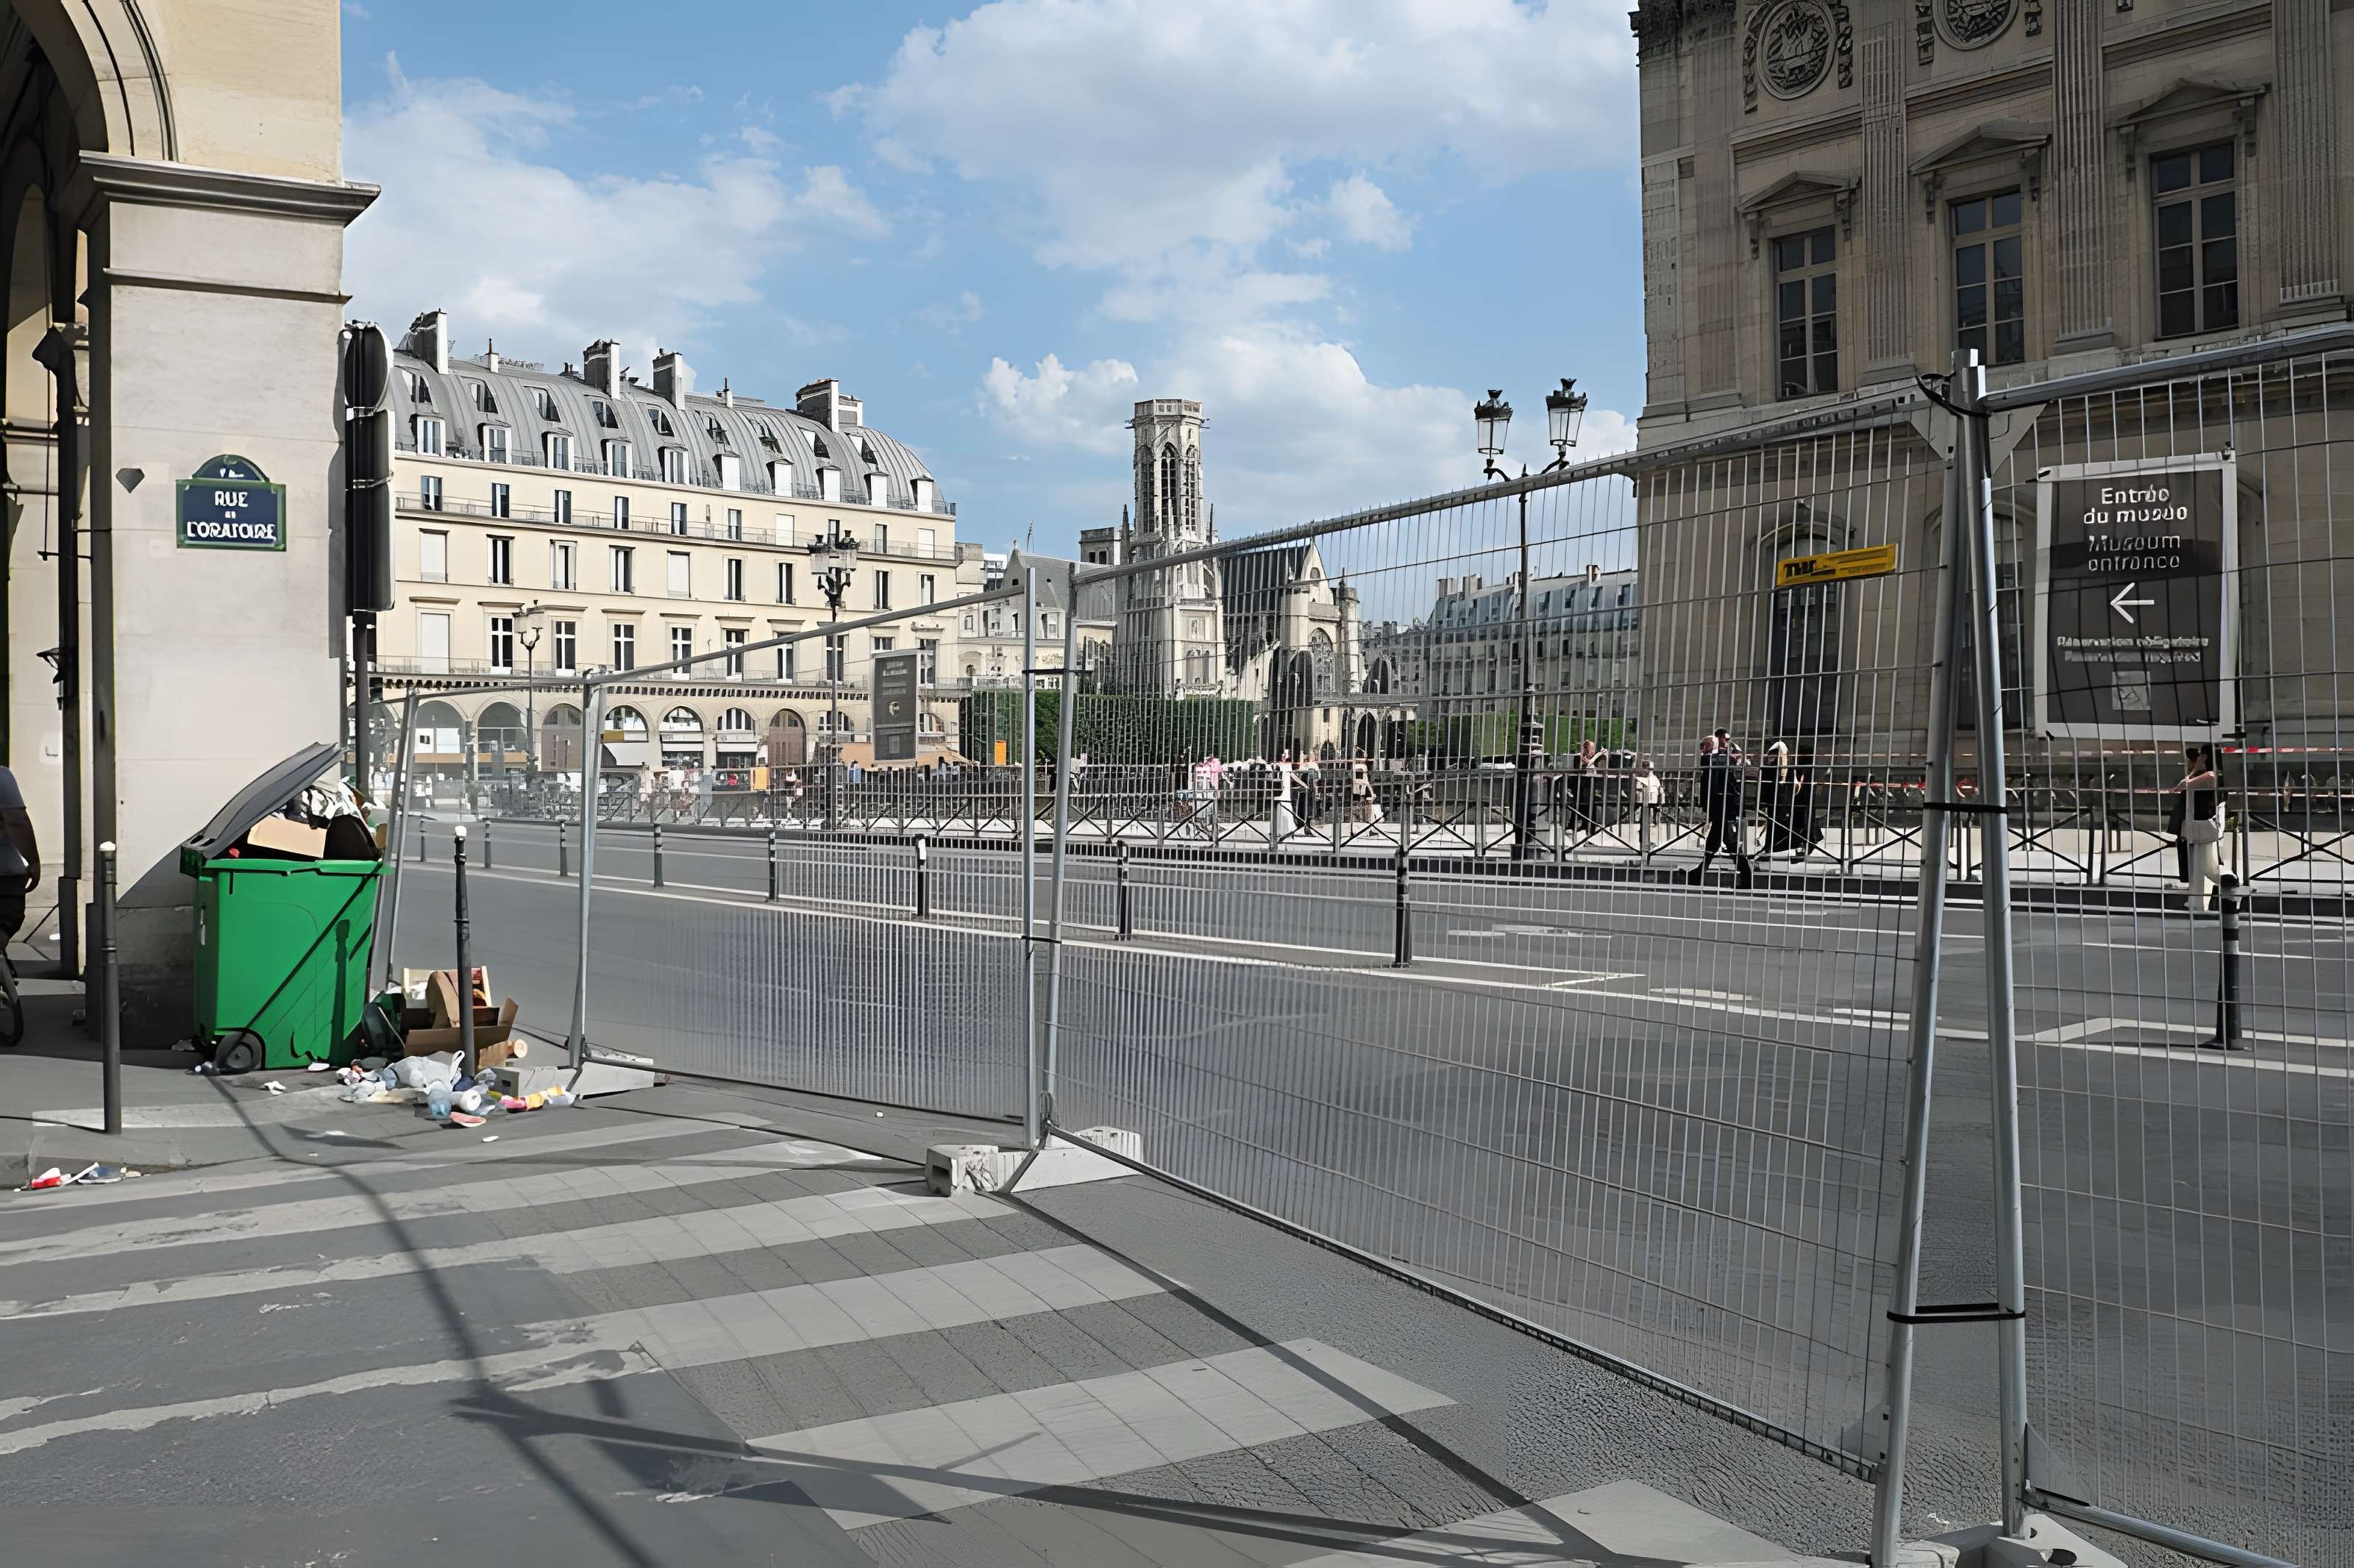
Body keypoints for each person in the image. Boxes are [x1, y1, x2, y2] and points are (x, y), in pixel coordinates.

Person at [2166, 744, 2226, 915]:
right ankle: (2196, 901)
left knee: (2207, 867)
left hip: (2202, 826)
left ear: (2205, 757)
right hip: (2196, 826)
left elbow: (2187, 784)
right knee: (2198, 866)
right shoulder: (2205, 774)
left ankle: (2231, 886)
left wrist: (2191, 775)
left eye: (2201, 755)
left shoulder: (2210, 775)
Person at [1690, 730, 1753, 886]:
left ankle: (1746, 877)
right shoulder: (1715, 758)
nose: (1727, 743)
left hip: (1726, 806)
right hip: (1719, 806)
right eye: (1724, 740)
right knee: (1715, 842)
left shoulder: (1726, 757)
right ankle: (1698, 874)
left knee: (1728, 843)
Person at [0, 764, 40, 952]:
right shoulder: (2, 776)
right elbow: (17, 821)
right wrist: (33, 862)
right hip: (6, 873)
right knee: (6, 922)